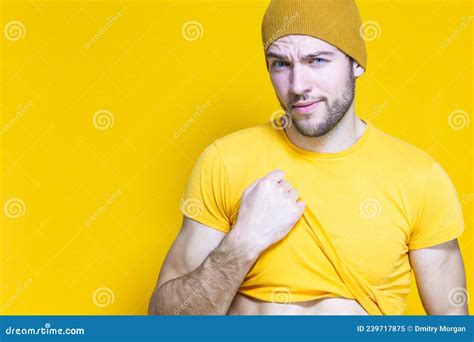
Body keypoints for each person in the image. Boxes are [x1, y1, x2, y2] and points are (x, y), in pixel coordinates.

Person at [149, 0, 467, 315]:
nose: (298, 86)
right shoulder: (225, 162)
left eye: (316, 60)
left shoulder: (420, 178)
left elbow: (452, 329)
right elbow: (166, 323)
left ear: (356, 61)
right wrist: (245, 240)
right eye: (280, 64)